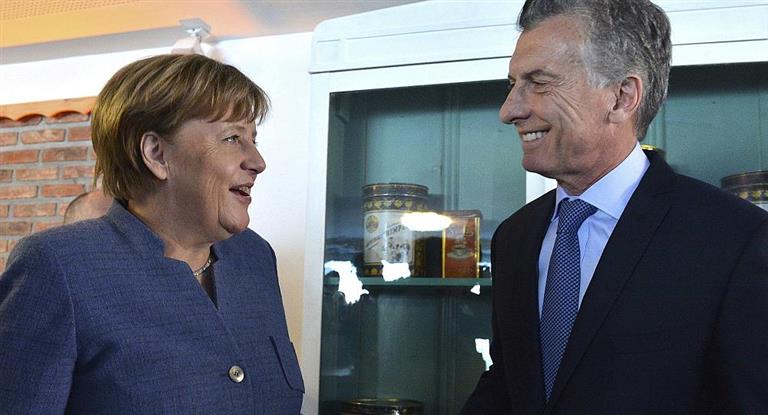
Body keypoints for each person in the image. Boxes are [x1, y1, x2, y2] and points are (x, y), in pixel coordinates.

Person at [462, 0, 768, 413]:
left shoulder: (734, 239)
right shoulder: (514, 237)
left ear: (622, 97)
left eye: (539, 82)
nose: (509, 110)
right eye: (513, 84)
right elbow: (508, 382)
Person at [0, 54, 304, 413]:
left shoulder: (255, 257)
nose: (257, 162)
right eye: (232, 138)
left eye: (254, 139)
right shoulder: (58, 267)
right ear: (157, 154)